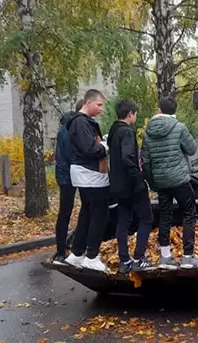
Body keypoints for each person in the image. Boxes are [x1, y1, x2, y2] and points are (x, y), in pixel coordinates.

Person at [141, 96, 198, 269]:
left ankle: (165, 257)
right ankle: (188, 257)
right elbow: (192, 149)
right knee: (189, 213)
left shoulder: (148, 132)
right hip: (179, 180)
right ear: (174, 111)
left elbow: (145, 161)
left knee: (164, 215)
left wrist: (152, 182)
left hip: (161, 182)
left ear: (159, 110)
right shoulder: (179, 128)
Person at [63, 89, 111, 272]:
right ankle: (91, 255)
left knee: (87, 213)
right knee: (99, 214)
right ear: (88, 102)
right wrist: (105, 146)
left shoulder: (79, 123)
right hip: (91, 174)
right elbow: (91, 150)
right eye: (99, 105)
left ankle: (76, 253)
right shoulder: (81, 123)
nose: (100, 109)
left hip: (86, 174)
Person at [108, 99, 155, 273]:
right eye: (135, 114)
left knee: (123, 221)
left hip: (118, 186)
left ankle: (124, 261)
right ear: (130, 114)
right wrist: (139, 179)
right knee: (146, 218)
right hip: (132, 185)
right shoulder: (127, 132)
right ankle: (139, 258)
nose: (135, 116)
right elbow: (128, 158)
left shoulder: (113, 132)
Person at [52, 99, 84, 265]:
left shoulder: (69, 126)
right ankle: (61, 250)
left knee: (82, 209)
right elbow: (72, 153)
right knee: (66, 212)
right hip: (68, 175)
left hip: (70, 173)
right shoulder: (69, 129)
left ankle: (72, 244)